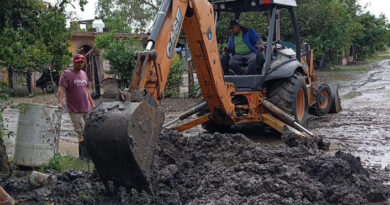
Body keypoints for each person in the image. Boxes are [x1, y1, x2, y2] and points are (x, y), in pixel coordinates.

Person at [57, 54, 95, 159]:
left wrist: (92, 103)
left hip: (87, 108)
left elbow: (86, 90)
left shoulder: (83, 74)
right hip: (75, 110)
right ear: (74, 62)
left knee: (88, 131)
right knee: (81, 133)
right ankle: (83, 157)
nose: (80, 64)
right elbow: (61, 89)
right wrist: (59, 103)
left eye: (82, 62)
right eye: (78, 62)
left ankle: (89, 155)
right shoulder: (66, 74)